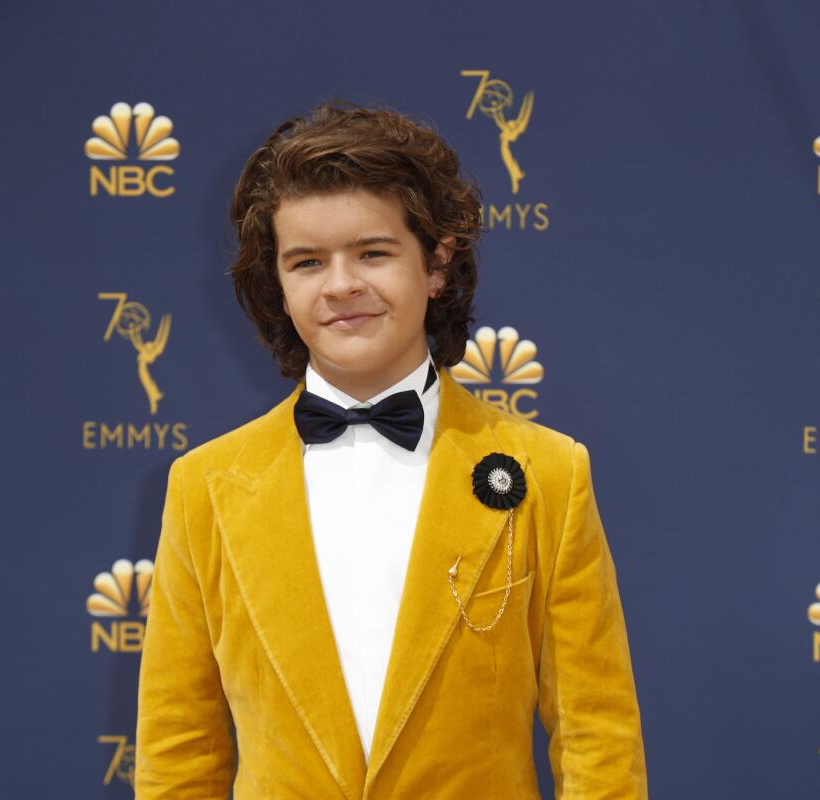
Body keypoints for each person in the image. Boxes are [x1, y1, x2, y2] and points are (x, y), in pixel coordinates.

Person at [135, 101, 647, 799]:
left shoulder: (549, 475)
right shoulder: (205, 487)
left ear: (436, 262)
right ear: (277, 286)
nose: (342, 284)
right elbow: (177, 749)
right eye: (308, 261)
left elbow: (598, 739)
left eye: (373, 252)